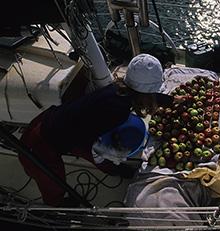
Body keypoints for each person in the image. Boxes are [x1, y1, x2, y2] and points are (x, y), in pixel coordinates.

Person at [19, 53, 183, 206]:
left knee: (96, 156)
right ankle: (56, 206)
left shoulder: (118, 90)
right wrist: (110, 153)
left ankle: (112, 169)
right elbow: (88, 143)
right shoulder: (118, 110)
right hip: (39, 143)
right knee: (53, 183)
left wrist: (172, 100)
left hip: (56, 123)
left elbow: (145, 94)